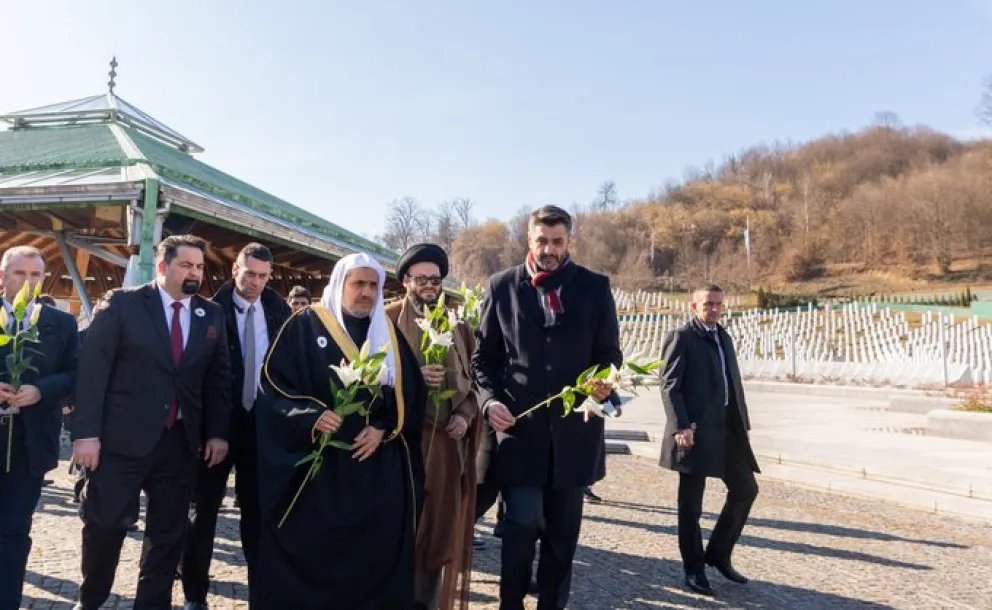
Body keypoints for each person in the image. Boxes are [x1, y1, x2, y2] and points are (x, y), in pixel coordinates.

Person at [251, 252, 427, 610]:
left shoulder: (388, 334)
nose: (366, 293)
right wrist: (311, 416)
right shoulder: (304, 325)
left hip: (375, 468)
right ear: (340, 283)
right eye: (358, 284)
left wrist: (382, 428)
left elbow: (411, 393)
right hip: (319, 471)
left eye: (373, 285)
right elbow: (273, 387)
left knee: (376, 552)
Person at [472, 205, 622, 610]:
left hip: (575, 436)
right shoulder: (501, 286)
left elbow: (609, 355)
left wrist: (603, 384)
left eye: (557, 241)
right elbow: (482, 359)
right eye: (542, 241)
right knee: (521, 524)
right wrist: (488, 403)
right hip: (519, 431)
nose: (550, 249)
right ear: (529, 240)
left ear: (569, 240)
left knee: (561, 534)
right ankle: (510, 602)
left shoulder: (594, 287)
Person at [72, 234, 232, 610]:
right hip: (119, 441)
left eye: (199, 266)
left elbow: (219, 379)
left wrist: (217, 433)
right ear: (163, 266)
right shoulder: (122, 304)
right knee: (106, 524)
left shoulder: (211, 314)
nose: (195, 272)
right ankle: (91, 599)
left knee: (168, 535)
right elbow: (94, 372)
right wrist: (86, 435)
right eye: (186, 265)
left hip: (180, 443)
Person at [181, 243, 291, 610]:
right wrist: (211, 430)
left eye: (263, 275)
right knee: (203, 509)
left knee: (259, 511)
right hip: (218, 426)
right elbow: (197, 375)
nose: (256, 282)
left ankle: (263, 589)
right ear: (235, 270)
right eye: (250, 274)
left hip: (262, 427)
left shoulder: (279, 309)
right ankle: (195, 592)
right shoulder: (209, 310)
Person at [385, 243, 481, 610]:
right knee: (402, 527)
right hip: (401, 445)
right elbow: (369, 378)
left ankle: (424, 602)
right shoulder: (387, 320)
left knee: (437, 530)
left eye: (435, 279)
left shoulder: (458, 324)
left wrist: (464, 415)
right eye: (421, 279)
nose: (429, 285)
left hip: (445, 448)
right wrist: (412, 378)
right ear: (406, 280)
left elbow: (475, 383)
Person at [658, 284, 760, 597]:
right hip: (694, 431)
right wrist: (681, 425)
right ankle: (694, 570)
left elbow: (732, 383)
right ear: (694, 306)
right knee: (691, 506)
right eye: (707, 304)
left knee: (745, 489)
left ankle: (718, 552)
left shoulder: (723, 337)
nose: (713, 309)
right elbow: (669, 385)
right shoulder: (682, 338)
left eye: (718, 304)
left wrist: (742, 421)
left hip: (728, 430)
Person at [0, 246, 79, 609]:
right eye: (20, 274)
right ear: (3, 276)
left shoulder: (60, 323)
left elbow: (76, 374)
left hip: (29, 445)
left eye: (36, 276)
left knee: (15, 531)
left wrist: (40, 390)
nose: (28, 282)